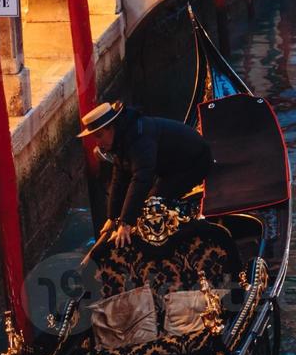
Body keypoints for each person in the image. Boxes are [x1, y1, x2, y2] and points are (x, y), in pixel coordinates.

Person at [79, 102, 214, 247]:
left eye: (99, 136)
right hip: (172, 167)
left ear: (112, 127)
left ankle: (177, 241)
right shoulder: (122, 136)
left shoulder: (139, 137)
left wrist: (125, 223)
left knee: (153, 204)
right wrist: (112, 217)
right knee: (146, 202)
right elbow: (119, 178)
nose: (97, 143)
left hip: (195, 162)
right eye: (95, 138)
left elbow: (141, 178)